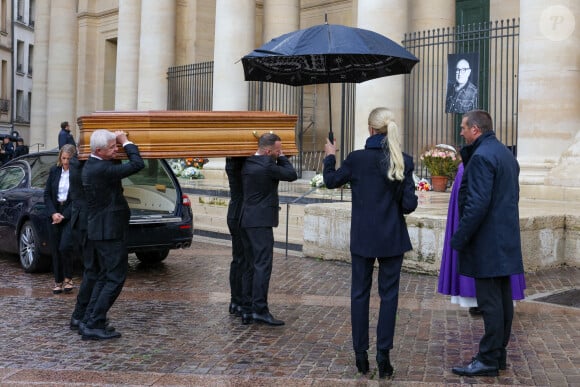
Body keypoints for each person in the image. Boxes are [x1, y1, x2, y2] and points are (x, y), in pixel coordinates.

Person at [323, 107, 418, 378]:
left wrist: (330, 156)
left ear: (370, 130)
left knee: (359, 294)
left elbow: (330, 181)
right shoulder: (403, 161)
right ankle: (384, 356)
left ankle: (360, 355)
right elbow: (409, 205)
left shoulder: (356, 159)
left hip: (363, 237)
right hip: (392, 237)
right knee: (389, 298)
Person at [450, 110, 524, 377]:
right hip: (504, 237)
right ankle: (498, 354)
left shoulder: (481, 157)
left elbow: (477, 204)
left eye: (463, 127)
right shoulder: (504, 153)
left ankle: (489, 358)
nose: (461, 132)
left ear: (476, 130)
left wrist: (460, 237)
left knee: (491, 302)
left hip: (488, 240)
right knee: (502, 300)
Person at [79, 129, 144, 341]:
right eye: (112, 147)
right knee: (115, 278)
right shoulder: (101, 169)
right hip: (108, 231)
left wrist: (116, 141)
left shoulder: (95, 163)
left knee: (105, 276)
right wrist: (126, 141)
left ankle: (90, 320)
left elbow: (114, 165)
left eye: (116, 146)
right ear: (99, 150)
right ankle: (95, 321)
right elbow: (137, 164)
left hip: (102, 229)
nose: (116, 150)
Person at [438, 163, 526, 315]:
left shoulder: (473, 163)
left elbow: (472, 205)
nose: (461, 136)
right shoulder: (505, 158)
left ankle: (489, 309)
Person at [240, 133, 297, 326]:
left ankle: (246, 308)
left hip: (246, 219)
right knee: (263, 265)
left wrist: (277, 154)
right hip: (261, 221)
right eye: (277, 150)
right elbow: (291, 174)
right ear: (267, 151)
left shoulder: (248, 162)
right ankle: (260, 310)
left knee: (249, 265)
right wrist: (282, 157)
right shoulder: (267, 165)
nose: (279, 152)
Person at [44, 144, 77, 294]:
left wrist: (65, 215)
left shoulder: (77, 173)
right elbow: (47, 195)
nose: (65, 162)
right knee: (56, 249)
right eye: (63, 158)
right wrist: (53, 213)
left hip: (69, 213)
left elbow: (78, 198)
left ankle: (68, 278)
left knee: (65, 246)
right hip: (54, 212)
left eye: (68, 159)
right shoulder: (54, 171)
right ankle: (58, 281)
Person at [225, 156, 252, 318]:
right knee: (245, 261)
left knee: (238, 260)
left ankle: (235, 301)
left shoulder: (231, 162)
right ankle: (242, 302)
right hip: (242, 214)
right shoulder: (243, 164)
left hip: (234, 212)